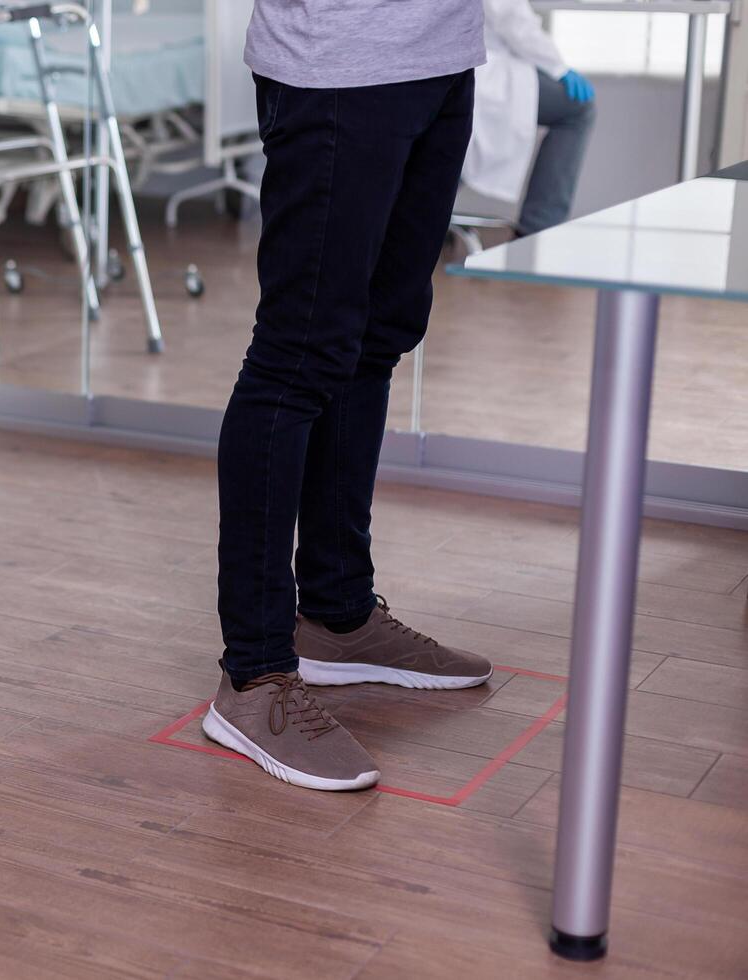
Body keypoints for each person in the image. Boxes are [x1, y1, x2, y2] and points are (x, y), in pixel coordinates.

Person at [204, 2, 496, 791]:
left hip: (440, 54)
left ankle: (337, 616)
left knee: (375, 337)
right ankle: (255, 675)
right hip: (338, 63)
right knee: (299, 355)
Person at [464, 0, 598, 235]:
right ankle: (537, 232)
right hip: (476, 71)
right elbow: (512, 19)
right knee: (579, 110)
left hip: (427, 69)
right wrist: (558, 67)